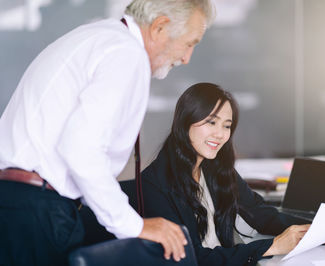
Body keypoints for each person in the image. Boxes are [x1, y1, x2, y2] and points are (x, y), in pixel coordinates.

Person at [0, 1, 215, 265]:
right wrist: (134, 226)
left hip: (19, 205)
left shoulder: (100, 37)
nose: (186, 57)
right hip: (38, 211)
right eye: (189, 43)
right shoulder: (126, 53)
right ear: (160, 27)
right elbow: (81, 149)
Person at [141, 83, 325, 266]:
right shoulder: (154, 184)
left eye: (227, 126)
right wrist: (272, 246)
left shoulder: (214, 168)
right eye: (211, 122)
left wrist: (323, 232)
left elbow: (262, 214)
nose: (220, 134)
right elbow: (193, 258)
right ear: (185, 121)